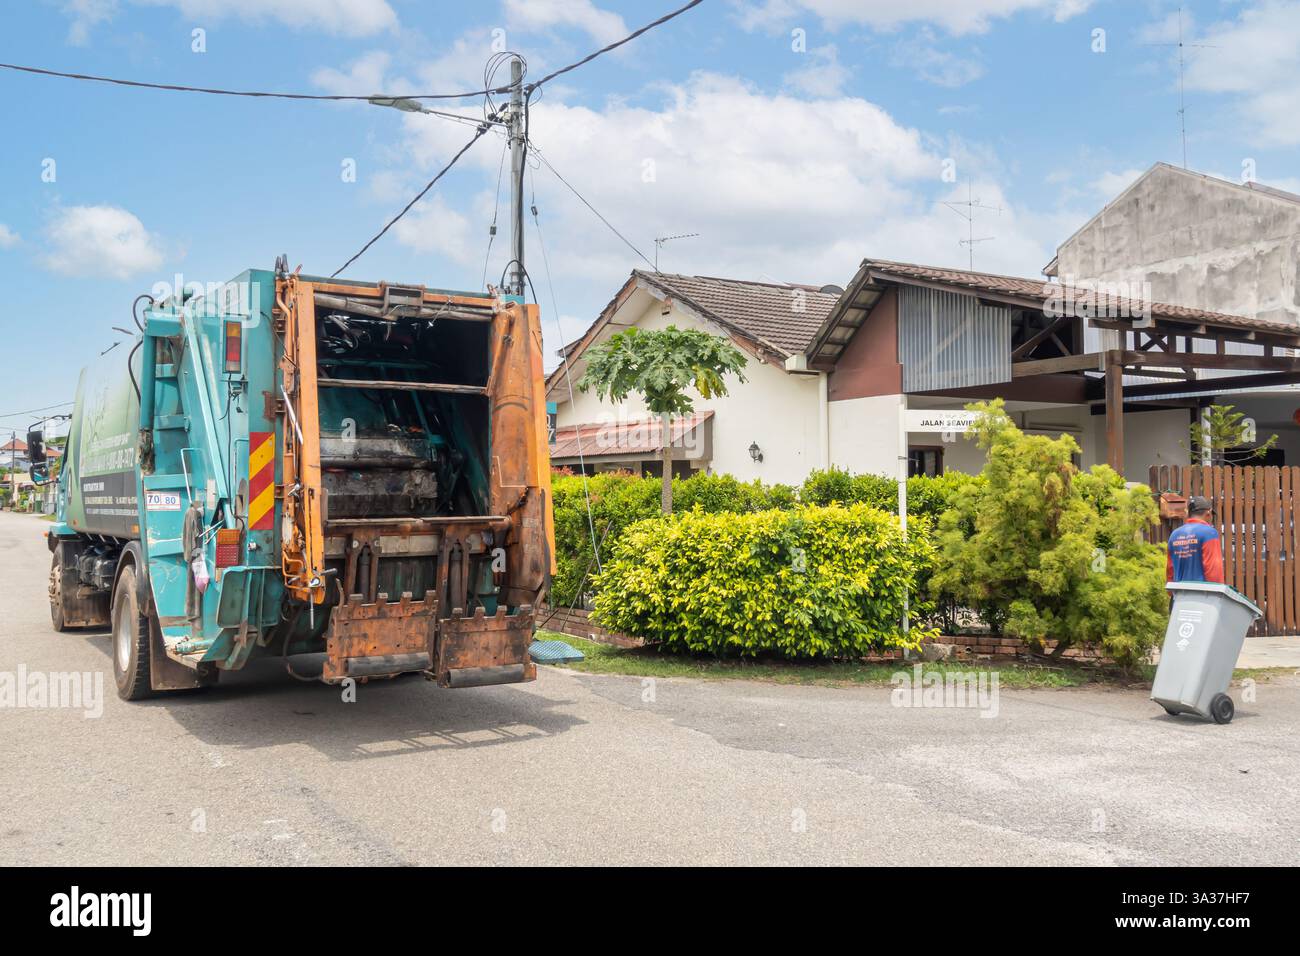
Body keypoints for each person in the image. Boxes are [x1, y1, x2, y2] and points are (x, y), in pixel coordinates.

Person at [1166, 495, 1225, 584]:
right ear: (1208, 513)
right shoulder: (1209, 533)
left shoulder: (1174, 535)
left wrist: (1172, 593)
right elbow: (1214, 570)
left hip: (1179, 594)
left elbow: (1170, 570)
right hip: (1202, 595)